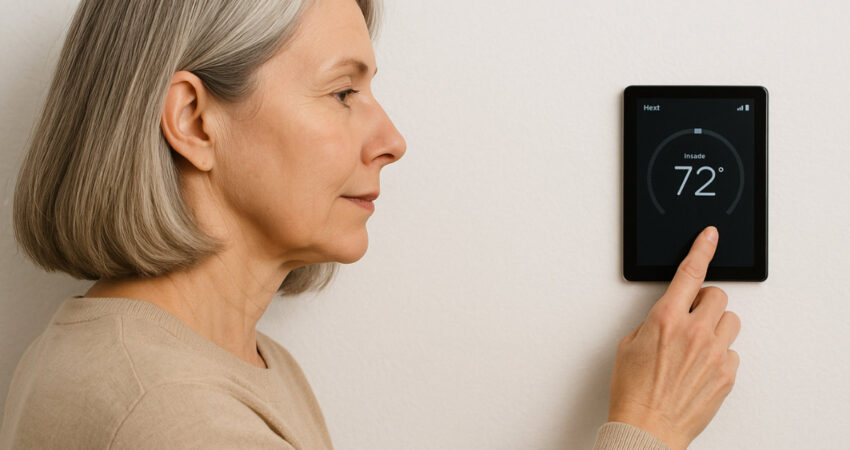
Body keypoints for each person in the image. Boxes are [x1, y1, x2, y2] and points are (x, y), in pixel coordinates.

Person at [0, 0, 740, 448]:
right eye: (343, 92)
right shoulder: (164, 411)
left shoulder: (234, 366)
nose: (391, 138)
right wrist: (649, 425)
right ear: (194, 120)